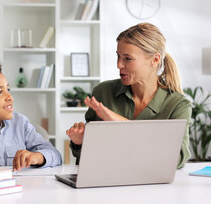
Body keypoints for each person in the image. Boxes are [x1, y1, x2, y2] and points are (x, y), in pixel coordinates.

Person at [66, 22, 191, 169]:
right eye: (118, 56)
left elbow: (177, 159)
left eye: (128, 58)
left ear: (155, 59)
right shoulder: (102, 92)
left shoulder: (177, 104)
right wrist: (80, 142)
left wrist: (121, 124)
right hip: (104, 182)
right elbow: (87, 157)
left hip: (153, 187)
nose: (119, 65)